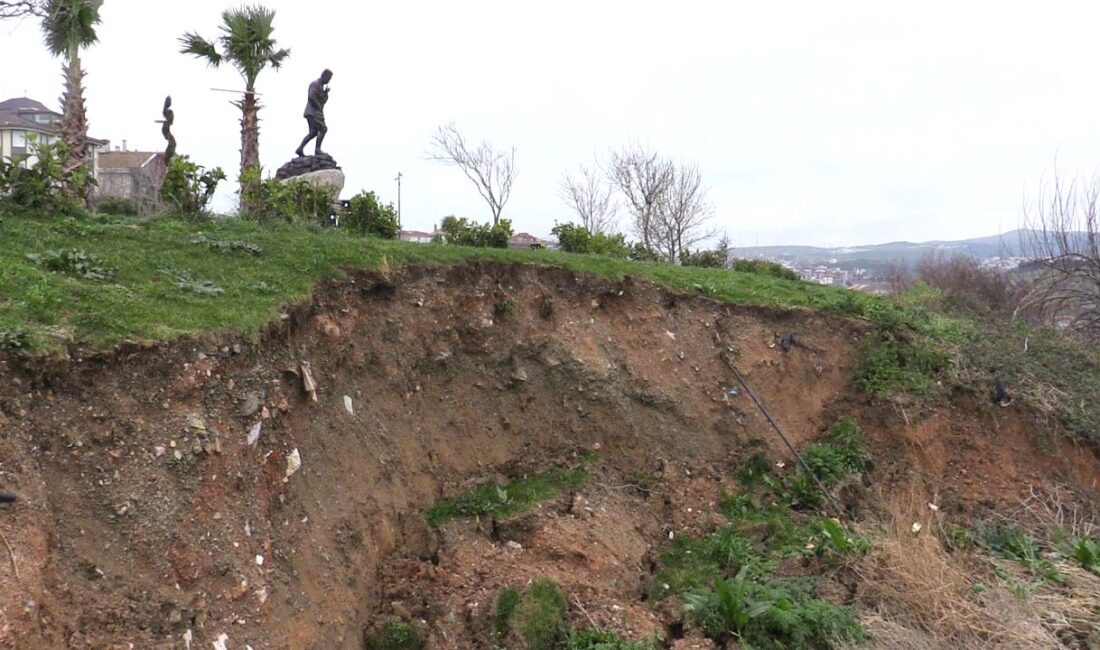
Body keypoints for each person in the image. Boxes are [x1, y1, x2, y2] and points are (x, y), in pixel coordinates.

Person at [295, 69, 333, 157]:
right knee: (323, 129)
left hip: (313, 112)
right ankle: (317, 149)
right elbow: (311, 97)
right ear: (324, 76)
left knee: (313, 132)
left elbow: (323, 101)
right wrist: (318, 107)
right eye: (328, 78)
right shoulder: (315, 84)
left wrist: (325, 94)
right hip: (312, 112)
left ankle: (300, 149)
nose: (328, 81)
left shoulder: (321, 87)